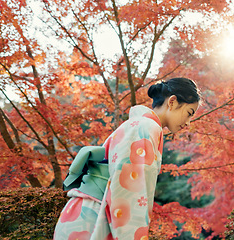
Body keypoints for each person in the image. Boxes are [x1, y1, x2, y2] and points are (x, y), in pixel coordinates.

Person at [53, 77, 200, 240]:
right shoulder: (147, 127)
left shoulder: (141, 125)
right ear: (172, 102)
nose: (188, 123)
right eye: (189, 113)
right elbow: (130, 190)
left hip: (85, 212)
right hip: (92, 216)